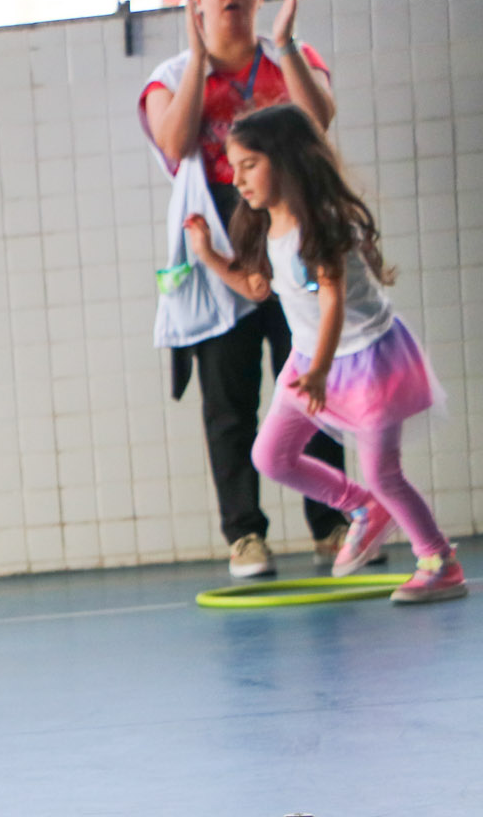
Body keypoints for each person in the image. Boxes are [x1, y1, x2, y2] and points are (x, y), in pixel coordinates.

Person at [185, 104, 461, 603]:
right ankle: (362, 507)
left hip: (366, 362)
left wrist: (318, 371)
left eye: (249, 165)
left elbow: (332, 300)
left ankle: (439, 562)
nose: (237, 179)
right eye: (234, 167)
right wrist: (209, 255)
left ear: (285, 162)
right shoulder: (265, 224)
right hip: (311, 362)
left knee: (384, 472)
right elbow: (256, 288)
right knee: (270, 456)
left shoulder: (322, 224)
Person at [140, 0, 355, 578]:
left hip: (290, 244)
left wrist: (283, 47)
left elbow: (320, 122)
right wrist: (198, 59)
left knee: (312, 388)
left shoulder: (293, 57)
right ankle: (245, 536)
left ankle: (332, 523)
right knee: (229, 406)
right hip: (219, 256)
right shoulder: (168, 78)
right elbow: (174, 142)